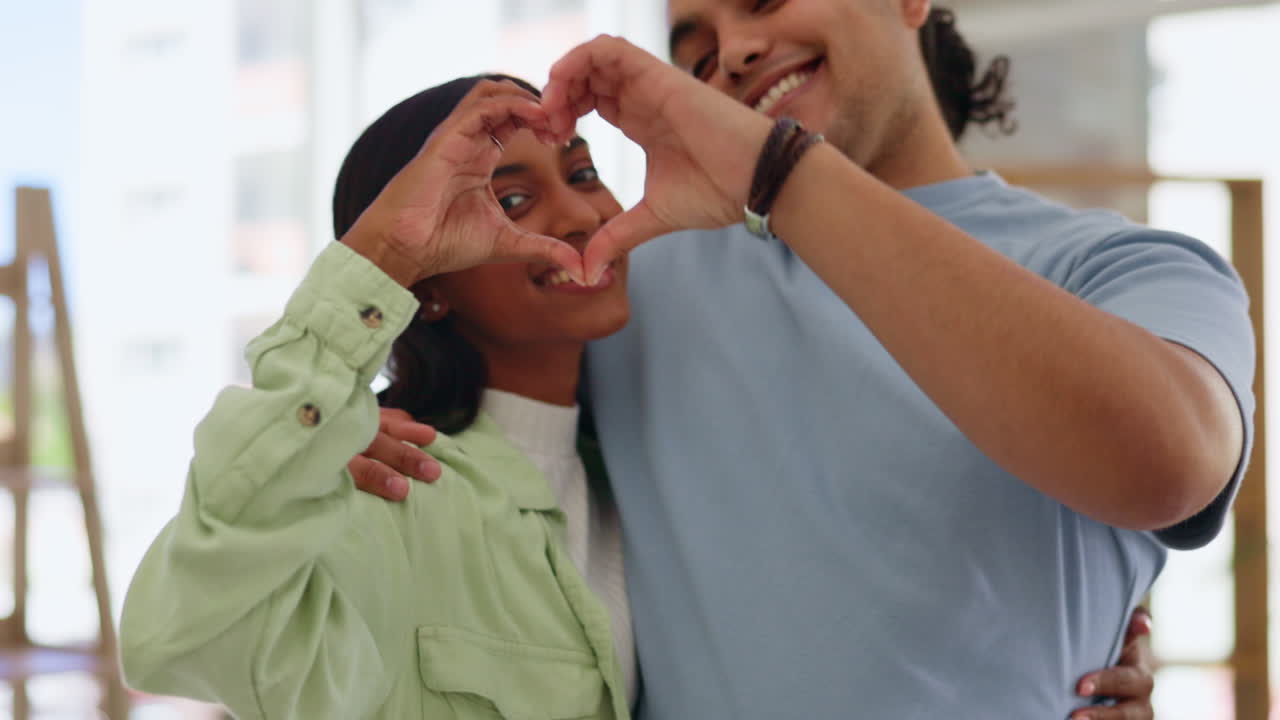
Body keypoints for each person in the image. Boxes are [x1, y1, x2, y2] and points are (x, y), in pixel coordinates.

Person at [356, 3, 1252, 719]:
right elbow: (488, 423)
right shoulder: (632, 282)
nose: (735, 52)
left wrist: (779, 174)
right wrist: (352, 444)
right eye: (695, 52)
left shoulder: (1125, 269)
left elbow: (1167, 466)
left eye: (763, 1)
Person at [119, 75, 638, 719]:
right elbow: (179, 634)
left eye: (584, 174)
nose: (584, 215)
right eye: (511, 200)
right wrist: (387, 251)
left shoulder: (638, 482)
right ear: (429, 285)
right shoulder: (388, 487)